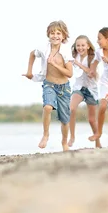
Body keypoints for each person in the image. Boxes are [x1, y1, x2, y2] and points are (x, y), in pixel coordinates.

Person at [23, 20, 74, 151]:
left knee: (65, 119)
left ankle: (64, 143)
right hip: (49, 84)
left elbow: (70, 73)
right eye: (52, 33)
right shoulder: (44, 48)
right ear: (48, 35)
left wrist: (55, 64)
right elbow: (32, 54)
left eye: (58, 33)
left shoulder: (66, 52)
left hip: (64, 88)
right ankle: (45, 135)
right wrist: (29, 71)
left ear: (63, 36)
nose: (55, 36)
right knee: (47, 107)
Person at [68, 35, 100, 148]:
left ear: (87, 46)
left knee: (91, 120)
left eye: (82, 45)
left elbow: (92, 74)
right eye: (78, 45)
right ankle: (72, 137)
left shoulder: (93, 58)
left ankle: (98, 142)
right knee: (71, 108)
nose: (80, 48)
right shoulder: (73, 56)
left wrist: (79, 64)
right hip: (78, 88)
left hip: (91, 90)